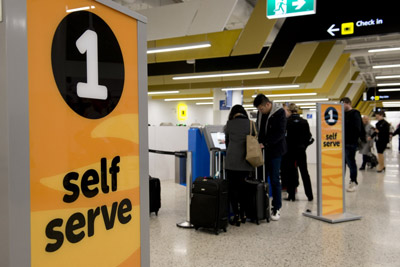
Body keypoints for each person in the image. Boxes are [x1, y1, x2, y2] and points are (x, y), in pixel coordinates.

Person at [253, 94, 287, 221]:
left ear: (268, 104)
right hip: (262, 151)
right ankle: (262, 206)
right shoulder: (260, 113)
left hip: (275, 151)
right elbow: (259, 129)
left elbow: (280, 133)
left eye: (261, 108)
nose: (260, 111)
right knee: (261, 179)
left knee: (274, 179)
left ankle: (276, 207)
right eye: (258, 109)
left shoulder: (279, 113)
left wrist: (265, 143)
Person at [224, 105, 253, 226]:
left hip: (231, 162)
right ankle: (244, 214)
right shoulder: (251, 124)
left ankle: (236, 216)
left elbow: (227, 142)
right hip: (246, 161)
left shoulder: (229, 124)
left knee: (233, 189)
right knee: (244, 189)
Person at [284, 103, 313, 201]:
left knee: (290, 173)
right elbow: (308, 136)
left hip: (290, 151)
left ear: (289, 111)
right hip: (301, 150)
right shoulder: (304, 122)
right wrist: (304, 146)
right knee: (305, 173)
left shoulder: (287, 122)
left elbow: (284, 137)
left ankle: (291, 195)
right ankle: (309, 195)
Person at [340, 97, 364, 192]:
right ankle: (341, 181)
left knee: (351, 162)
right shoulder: (342, 114)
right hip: (342, 142)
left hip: (350, 142)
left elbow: (358, 128)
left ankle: (353, 181)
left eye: (343, 104)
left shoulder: (355, 113)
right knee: (342, 163)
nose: (342, 106)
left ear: (348, 103)